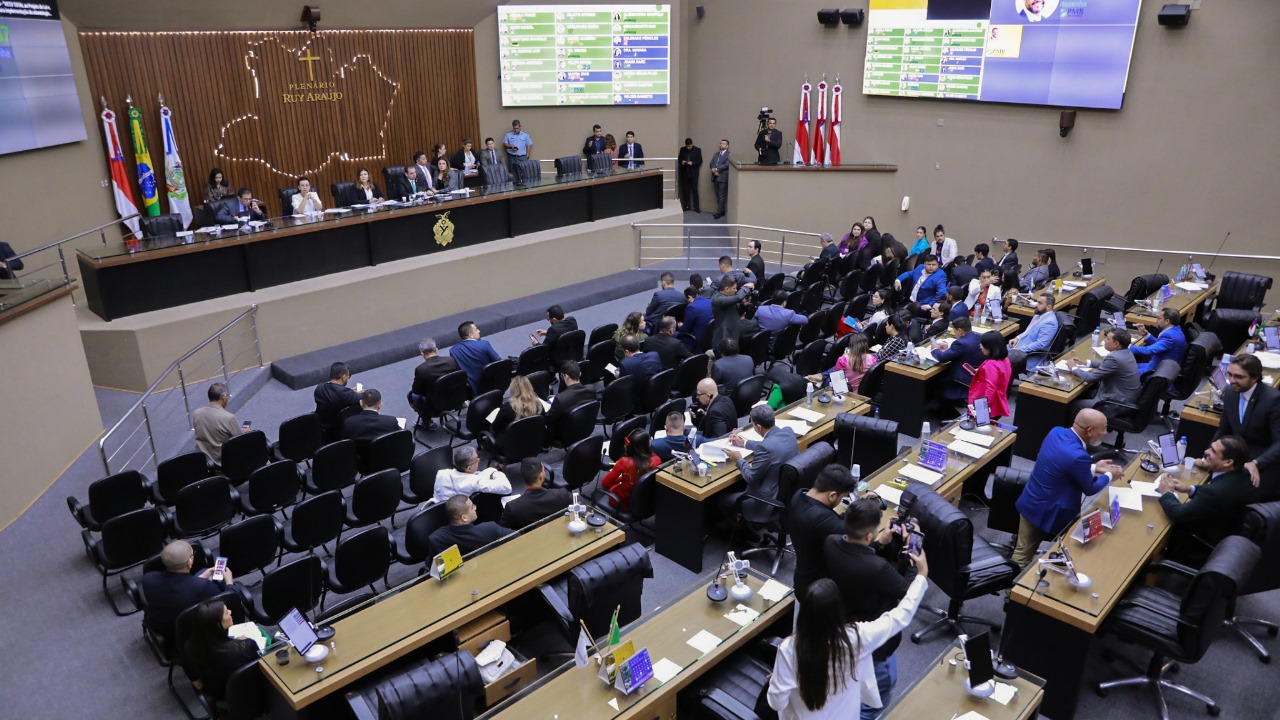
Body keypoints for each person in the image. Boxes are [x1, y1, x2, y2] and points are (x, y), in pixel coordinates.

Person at [767, 561, 930, 720]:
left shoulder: (790, 649)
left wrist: (779, 679)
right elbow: (900, 616)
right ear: (839, 609)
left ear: (805, 614)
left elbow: (777, 702)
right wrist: (921, 575)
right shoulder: (857, 637)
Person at [823, 500, 918, 718]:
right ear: (868, 536)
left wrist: (879, 544)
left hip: (843, 624)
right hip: (874, 641)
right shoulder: (878, 568)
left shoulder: (831, 542)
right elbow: (908, 592)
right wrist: (913, 551)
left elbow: (858, 556)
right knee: (876, 700)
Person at [1011, 408, 1125, 567]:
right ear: (1090, 430)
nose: (1106, 433)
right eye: (1104, 429)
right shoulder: (1078, 456)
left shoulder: (1056, 432)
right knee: (1026, 557)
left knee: (1022, 551)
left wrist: (1092, 467)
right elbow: (1090, 489)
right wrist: (1110, 475)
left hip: (1032, 500)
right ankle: (1013, 591)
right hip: (1050, 511)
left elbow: (1060, 463)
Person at [1157, 436, 1260, 557]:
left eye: (1213, 451)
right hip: (1228, 537)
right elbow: (1218, 496)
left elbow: (1178, 514)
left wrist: (1167, 493)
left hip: (1199, 548)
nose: (1206, 452)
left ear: (1228, 462)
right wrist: (1190, 489)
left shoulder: (1215, 492)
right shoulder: (1243, 476)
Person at [1214, 353, 1280, 497]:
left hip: (1264, 463)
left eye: (1238, 377)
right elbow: (1223, 429)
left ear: (1254, 377)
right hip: (1237, 459)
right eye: (1229, 374)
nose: (1232, 380)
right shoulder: (1230, 393)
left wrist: (1257, 462)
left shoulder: (1273, 400)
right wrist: (1209, 454)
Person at [787, 465, 856, 600]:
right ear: (832, 495)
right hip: (821, 590)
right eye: (842, 498)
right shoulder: (822, 519)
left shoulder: (799, 494)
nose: (841, 502)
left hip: (803, 577)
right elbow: (857, 536)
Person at [142, 540, 233, 642]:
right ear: (189, 562)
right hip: (190, 633)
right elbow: (227, 602)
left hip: (160, 626)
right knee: (222, 584)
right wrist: (229, 582)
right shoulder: (205, 587)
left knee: (202, 572)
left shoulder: (148, 579)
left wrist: (200, 578)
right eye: (193, 554)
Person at [722, 406, 799, 523]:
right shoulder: (788, 432)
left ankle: (740, 533)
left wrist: (739, 460)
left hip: (766, 501)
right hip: (789, 496)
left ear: (758, 427)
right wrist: (745, 443)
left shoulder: (765, 447)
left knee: (721, 499)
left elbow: (751, 478)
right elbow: (772, 445)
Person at [183, 600, 263, 709]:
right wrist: (238, 642)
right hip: (250, 696)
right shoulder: (246, 646)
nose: (230, 612)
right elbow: (262, 672)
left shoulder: (189, 649)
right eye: (226, 613)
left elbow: (199, 685)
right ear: (218, 625)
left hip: (219, 698)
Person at [1068, 329, 1141, 414]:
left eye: (1108, 339)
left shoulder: (1114, 358)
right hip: (1125, 398)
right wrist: (1086, 362)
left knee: (1073, 405)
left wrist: (1073, 368)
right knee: (1082, 393)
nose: (1105, 340)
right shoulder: (1126, 352)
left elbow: (1090, 378)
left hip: (1115, 404)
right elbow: (1108, 366)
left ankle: (1077, 427)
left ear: (1116, 344)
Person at [428, 495, 512, 558]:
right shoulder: (490, 529)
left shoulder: (436, 539)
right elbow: (517, 536)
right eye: (472, 507)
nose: (475, 508)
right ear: (464, 518)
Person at [501, 458, 572, 530]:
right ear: (541, 477)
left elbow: (503, 535)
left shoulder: (512, 508)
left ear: (523, 477)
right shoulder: (563, 495)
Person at [930, 317, 985, 407]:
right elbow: (965, 352)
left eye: (954, 331)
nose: (954, 333)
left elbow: (942, 358)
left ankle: (939, 407)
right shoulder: (979, 336)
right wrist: (949, 348)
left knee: (934, 379)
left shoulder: (960, 343)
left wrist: (934, 349)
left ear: (959, 330)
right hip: (976, 377)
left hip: (962, 379)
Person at [602, 428, 659, 511]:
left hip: (623, 502)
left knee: (612, 488)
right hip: (644, 500)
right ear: (648, 444)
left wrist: (621, 478)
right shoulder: (657, 459)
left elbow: (605, 484)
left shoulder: (624, 462)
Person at [432, 446, 511, 504]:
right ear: (469, 468)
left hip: (437, 511)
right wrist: (495, 472)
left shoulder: (441, 473)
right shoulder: (473, 482)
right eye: (476, 459)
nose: (479, 460)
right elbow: (507, 488)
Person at [807, 334, 877, 394]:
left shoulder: (843, 359)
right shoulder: (872, 359)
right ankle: (821, 376)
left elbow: (835, 379)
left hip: (844, 391)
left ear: (850, 345)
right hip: (860, 392)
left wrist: (844, 356)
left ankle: (821, 377)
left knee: (830, 377)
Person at [193, 383, 243, 467]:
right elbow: (240, 441)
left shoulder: (196, 413)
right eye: (228, 396)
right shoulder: (229, 418)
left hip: (206, 461)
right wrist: (245, 433)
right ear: (223, 398)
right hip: (225, 462)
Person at [342, 389, 400, 461]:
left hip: (361, 462)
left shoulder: (349, 423)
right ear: (380, 405)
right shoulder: (391, 421)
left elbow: (345, 444)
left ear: (361, 403)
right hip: (385, 459)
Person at [545, 361, 598, 437]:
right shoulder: (591, 389)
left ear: (566, 376)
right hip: (585, 428)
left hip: (564, 435)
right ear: (580, 374)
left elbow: (548, 421)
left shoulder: (560, 399)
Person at [314, 362, 362, 443]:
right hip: (337, 431)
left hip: (321, 427)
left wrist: (350, 392)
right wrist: (355, 393)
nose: (348, 378)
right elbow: (364, 398)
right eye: (348, 376)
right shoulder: (345, 394)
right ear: (343, 376)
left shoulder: (319, 388)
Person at [969, 331, 1012, 420]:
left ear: (990, 347)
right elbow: (999, 376)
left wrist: (981, 410)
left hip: (986, 406)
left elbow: (991, 388)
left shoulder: (991, 365)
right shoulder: (1005, 360)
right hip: (998, 402)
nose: (980, 346)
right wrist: (980, 372)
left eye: (983, 344)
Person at [1131, 308, 1188, 375]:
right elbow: (1159, 345)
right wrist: (1145, 333)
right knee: (1128, 367)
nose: (1156, 320)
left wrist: (1128, 346)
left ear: (1167, 321)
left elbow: (1148, 351)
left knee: (1122, 373)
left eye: (1159, 318)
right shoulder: (1176, 330)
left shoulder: (1169, 336)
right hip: (1158, 366)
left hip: (1155, 372)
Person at [1009, 293, 1059, 368]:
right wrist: (1017, 338)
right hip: (1017, 346)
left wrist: (1020, 349)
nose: (1036, 305)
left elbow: (1041, 344)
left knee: (995, 357)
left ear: (1048, 307)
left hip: (1027, 354)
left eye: (1040, 303)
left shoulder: (1050, 322)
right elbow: (1027, 331)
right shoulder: (1037, 316)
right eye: (1037, 302)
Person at [451, 320, 502, 393]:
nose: (479, 331)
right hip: (492, 388)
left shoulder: (454, 351)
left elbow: (459, 371)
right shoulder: (484, 344)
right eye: (476, 329)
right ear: (471, 335)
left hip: (473, 391)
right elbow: (499, 362)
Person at [408, 338, 459, 411]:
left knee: (410, 395)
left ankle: (426, 420)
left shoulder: (421, 369)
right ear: (437, 349)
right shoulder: (451, 360)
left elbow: (416, 391)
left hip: (435, 406)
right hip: (456, 398)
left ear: (422, 353)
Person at [711, 276, 753, 346]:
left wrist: (743, 304)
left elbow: (735, 314)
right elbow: (738, 297)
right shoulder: (717, 299)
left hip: (733, 335)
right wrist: (746, 287)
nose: (736, 290)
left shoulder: (730, 297)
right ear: (727, 289)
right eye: (734, 288)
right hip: (723, 339)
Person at [677, 137, 702, 212]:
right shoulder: (682, 149)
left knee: (694, 190)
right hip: (684, 173)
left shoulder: (698, 150)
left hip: (694, 173)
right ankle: (686, 206)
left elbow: (700, 161)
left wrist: (693, 163)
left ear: (692, 144)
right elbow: (679, 159)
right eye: (687, 146)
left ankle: (696, 207)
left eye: (689, 146)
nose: (688, 148)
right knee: (685, 190)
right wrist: (682, 161)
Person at [710, 138, 731, 218]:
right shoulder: (716, 154)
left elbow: (727, 165)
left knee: (721, 195)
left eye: (723, 144)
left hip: (723, 178)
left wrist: (717, 169)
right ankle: (721, 211)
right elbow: (711, 163)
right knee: (717, 195)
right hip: (715, 177)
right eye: (720, 143)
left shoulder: (729, 154)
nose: (721, 145)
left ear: (727, 146)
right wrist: (713, 170)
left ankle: (719, 212)